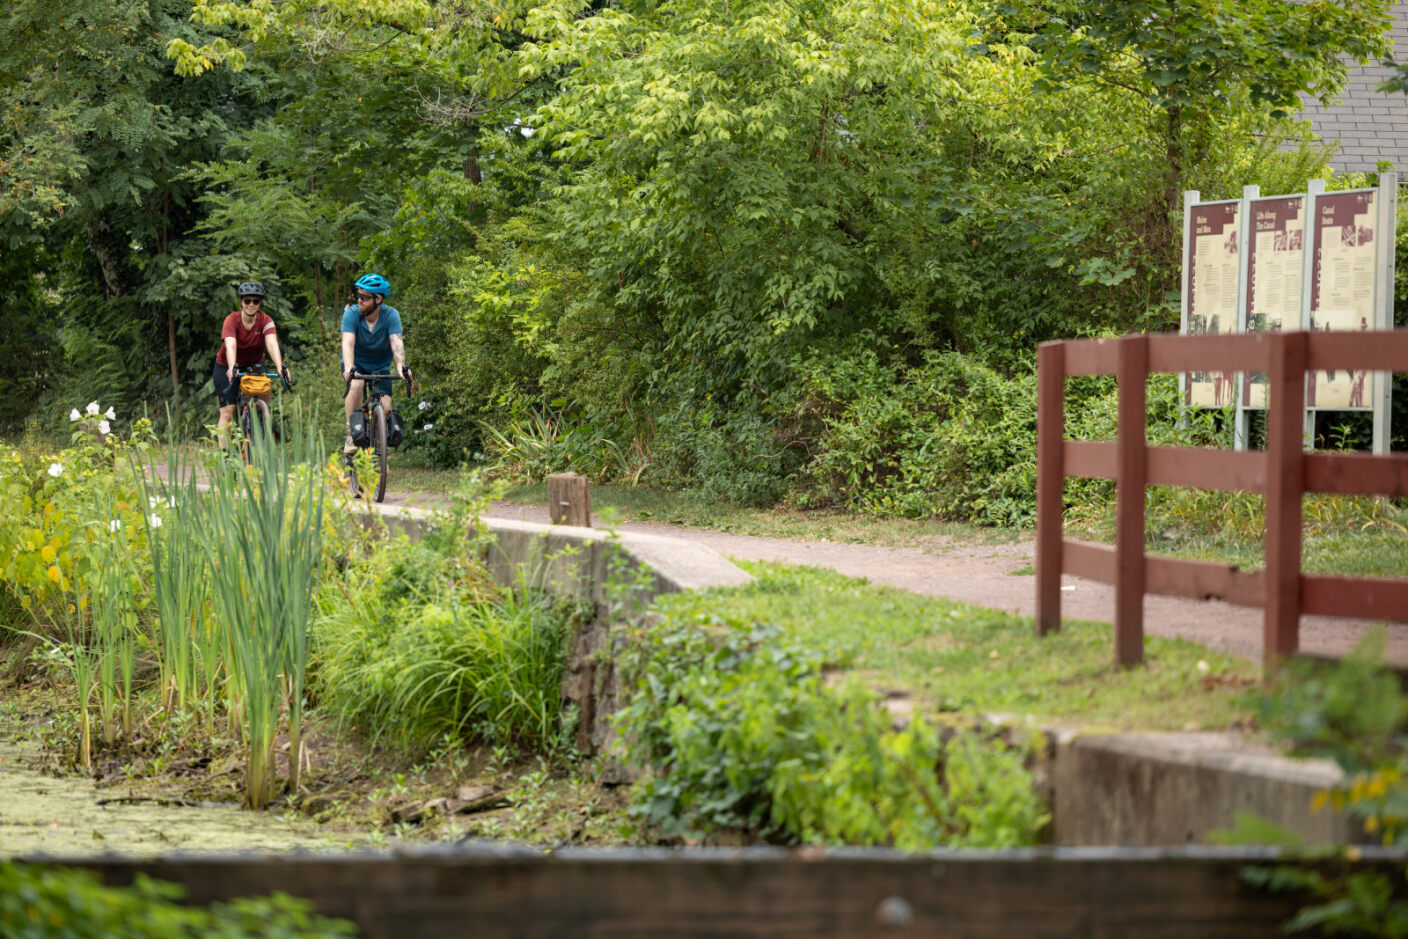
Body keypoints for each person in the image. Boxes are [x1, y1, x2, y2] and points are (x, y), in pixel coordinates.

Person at [213, 281, 289, 451]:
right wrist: (233, 367)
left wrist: (279, 367)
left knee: (265, 387)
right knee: (228, 411)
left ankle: (260, 419)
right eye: (247, 301)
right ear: (241, 302)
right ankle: (226, 458)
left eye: (256, 301)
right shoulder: (231, 320)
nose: (251, 304)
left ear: (260, 303)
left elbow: (272, 344)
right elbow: (230, 345)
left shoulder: (266, 321)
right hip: (227, 364)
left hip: (254, 364)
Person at [341, 273, 410, 455]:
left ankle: (380, 454)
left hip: (381, 365)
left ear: (378, 299)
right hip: (357, 363)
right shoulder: (352, 314)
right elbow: (347, 342)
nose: (359, 300)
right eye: (359, 295)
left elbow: (396, 342)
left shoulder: (391, 315)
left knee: (386, 409)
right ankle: (350, 433)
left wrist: (401, 367)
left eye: (364, 297)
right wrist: (349, 368)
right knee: (356, 386)